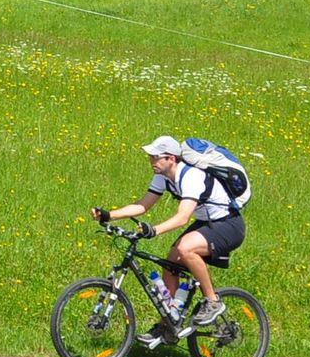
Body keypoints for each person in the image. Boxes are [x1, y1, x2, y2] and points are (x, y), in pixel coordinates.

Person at [92, 135, 244, 333]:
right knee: (170, 265)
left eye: (155, 157)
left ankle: (212, 301)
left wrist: (154, 230)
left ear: (171, 158)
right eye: (150, 157)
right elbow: (143, 205)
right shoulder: (162, 176)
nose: (151, 161)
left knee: (185, 249)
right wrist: (109, 215)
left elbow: (183, 217)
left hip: (229, 224)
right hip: (206, 223)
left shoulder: (191, 176)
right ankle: (169, 325)